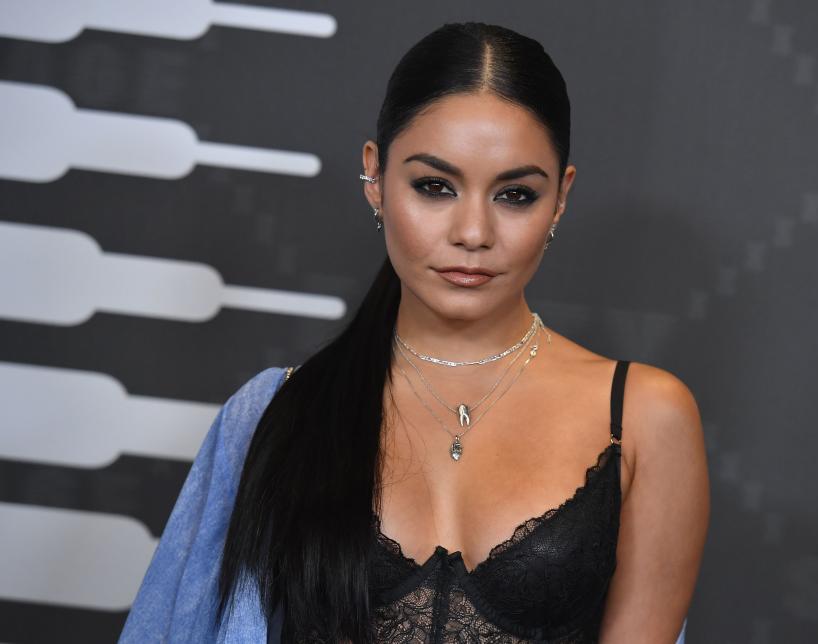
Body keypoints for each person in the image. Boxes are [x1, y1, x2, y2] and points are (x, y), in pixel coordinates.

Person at [119, 21, 709, 644]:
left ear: (559, 199)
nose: (473, 232)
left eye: (515, 194)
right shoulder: (279, 412)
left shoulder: (644, 417)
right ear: (375, 177)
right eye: (435, 186)